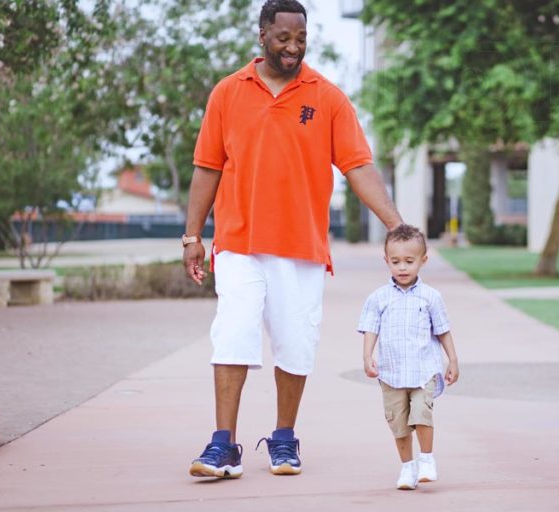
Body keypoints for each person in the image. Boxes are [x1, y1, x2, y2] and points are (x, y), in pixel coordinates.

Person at [183, 0, 402, 479]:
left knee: (296, 344)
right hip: (239, 241)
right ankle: (224, 445)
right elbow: (207, 168)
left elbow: (358, 166)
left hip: (302, 245)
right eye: (283, 38)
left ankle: (284, 439)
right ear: (262, 35)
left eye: (300, 38)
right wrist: (192, 236)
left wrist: (394, 224)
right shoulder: (227, 92)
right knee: (233, 334)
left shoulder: (326, 96)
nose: (293, 47)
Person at [358, 224, 459, 490]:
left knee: (422, 414)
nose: (402, 267)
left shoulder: (431, 297)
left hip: (423, 370)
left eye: (409, 261)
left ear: (423, 261)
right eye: (395, 262)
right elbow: (370, 328)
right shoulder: (378, 298)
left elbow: (443, 331)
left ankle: (426, 459)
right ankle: (407, 467)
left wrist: (453, 360)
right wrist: (367, 355)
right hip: (391, 373)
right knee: (399, 425)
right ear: (386, 261)